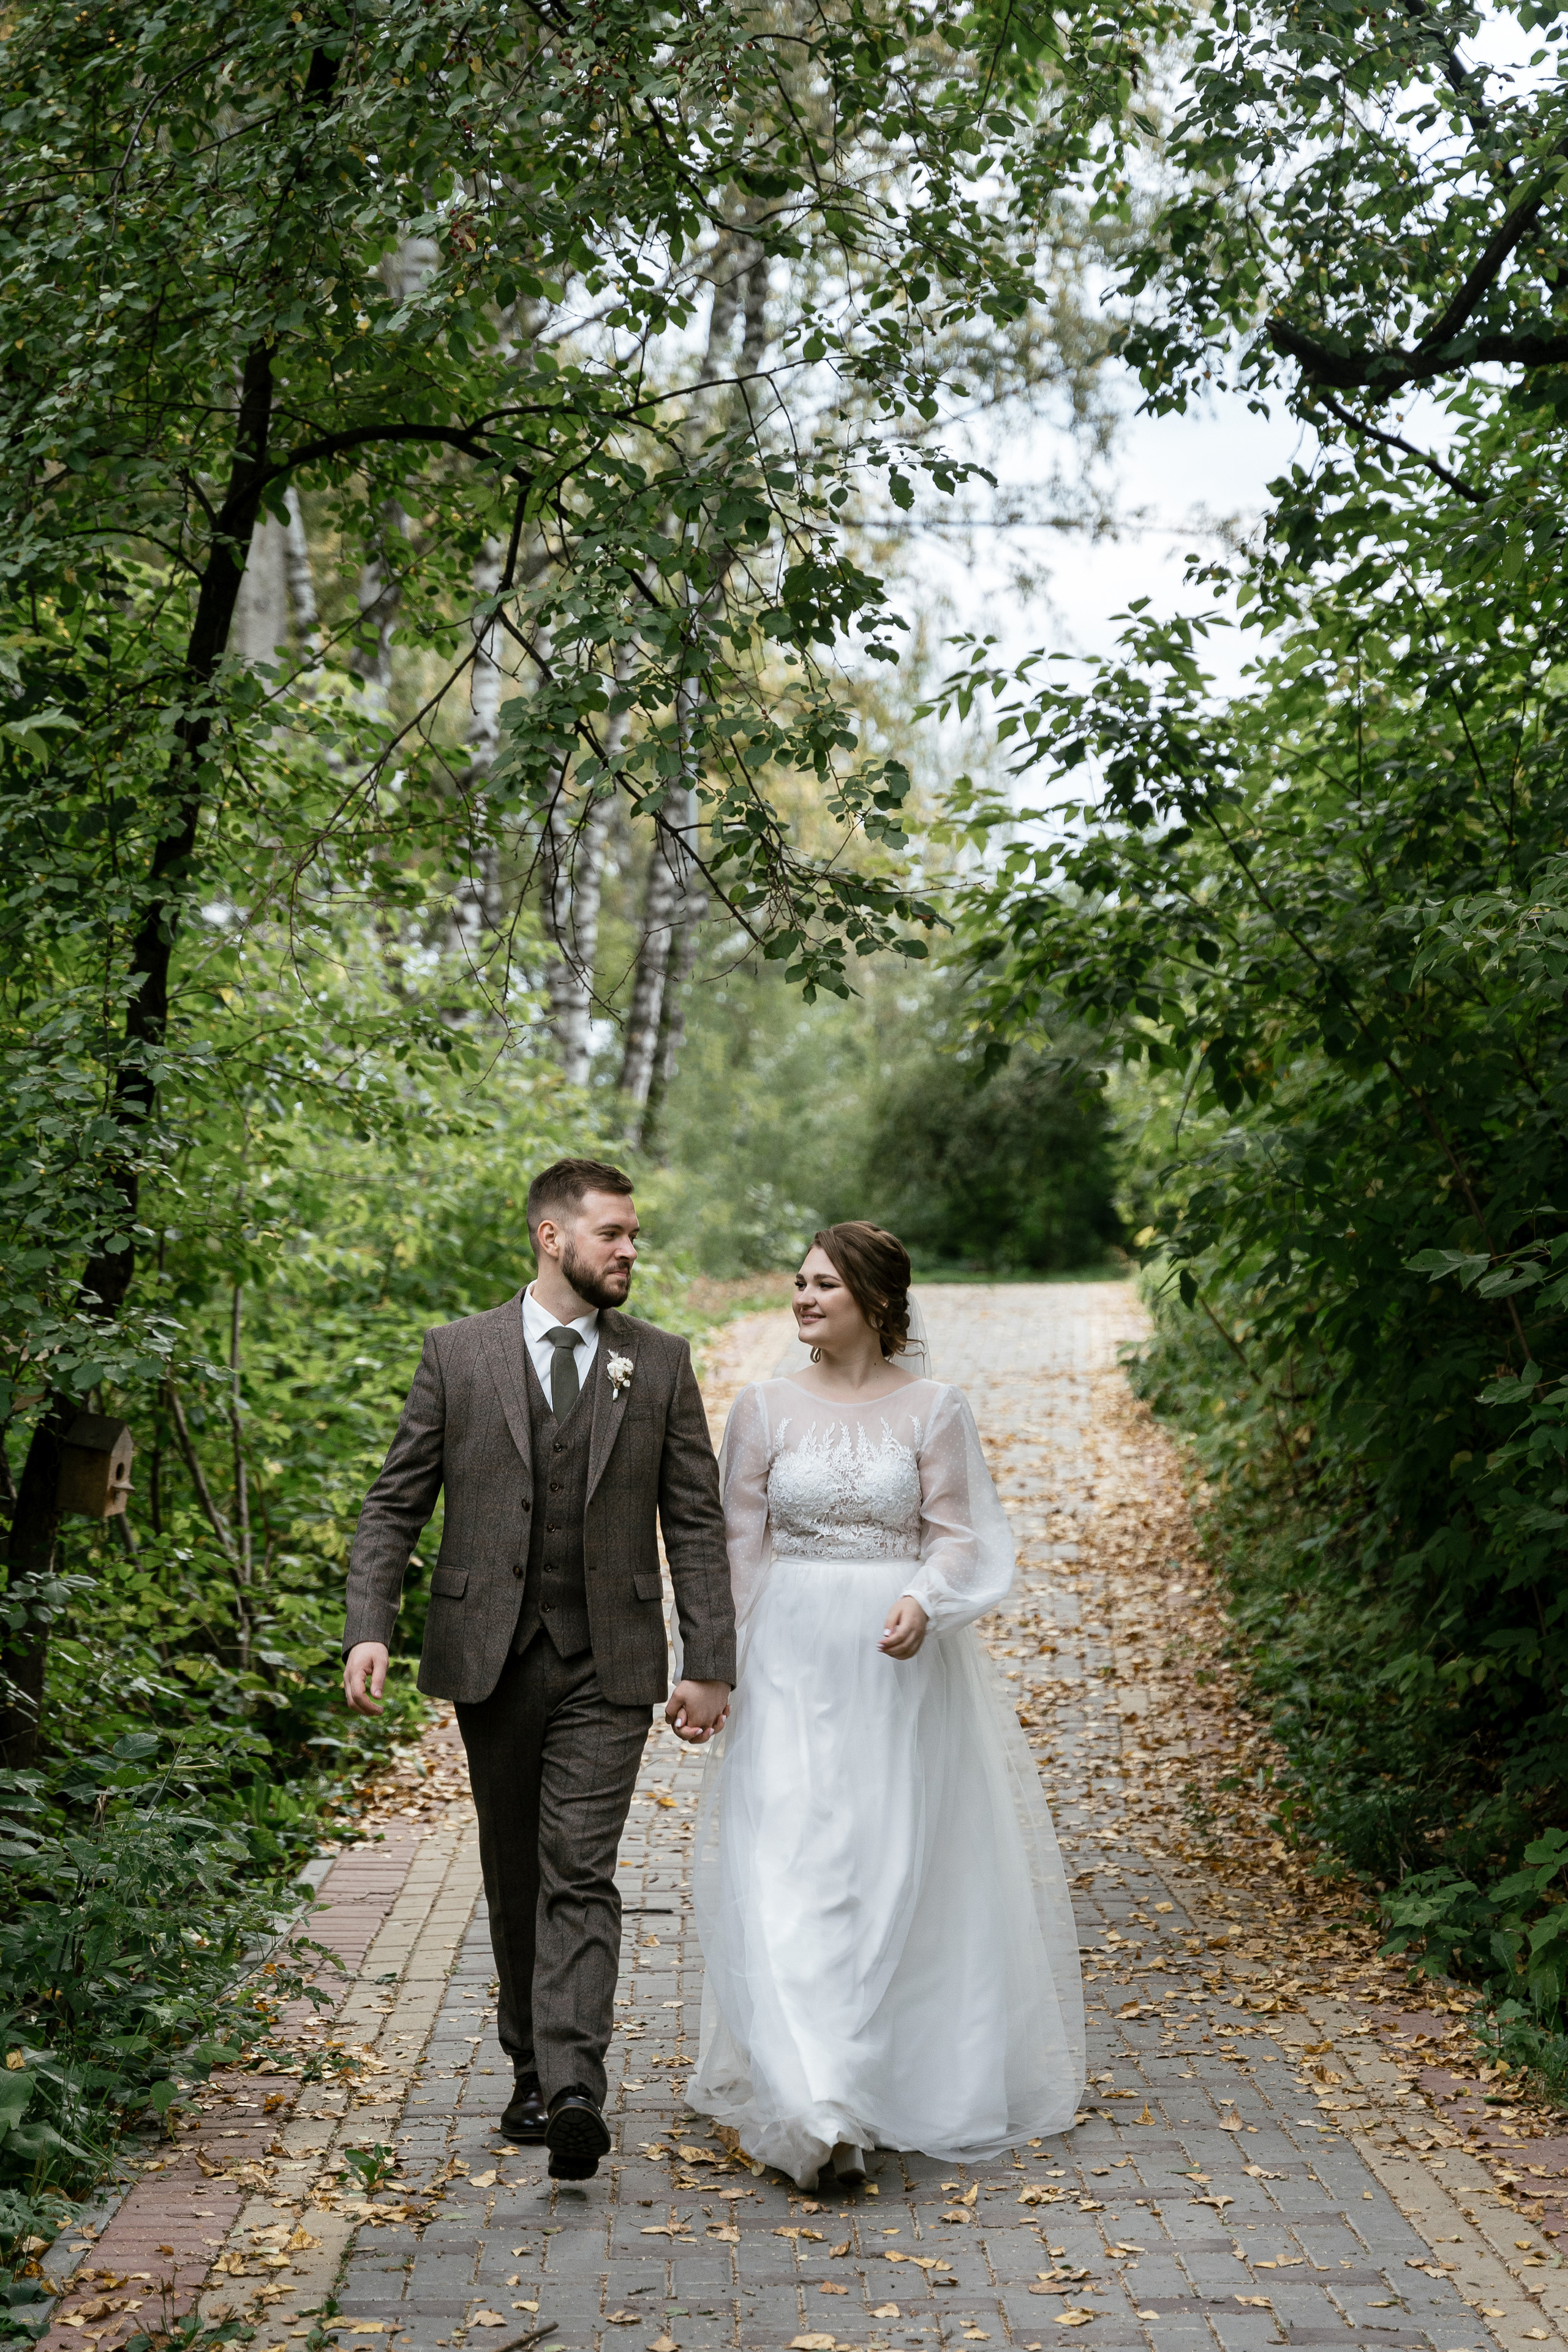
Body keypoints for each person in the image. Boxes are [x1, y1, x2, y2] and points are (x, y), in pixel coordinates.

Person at [341, 1157, 735, 2182]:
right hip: (492, 1660)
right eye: (613, 1233)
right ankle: (528, 2066)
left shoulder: (658, 1362)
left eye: (635, 1233)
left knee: (579, 1867)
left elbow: (693, 1519)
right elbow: (395, 1502)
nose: (631, 1250)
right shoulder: (457, 1354)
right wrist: (367, 1625)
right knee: (516, 1870)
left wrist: (711, 1661)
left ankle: (573, 2090)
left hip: (613, 1659)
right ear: (553, 1238)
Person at [687, 1222, 1084, 2189]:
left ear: (875, 1301)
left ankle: (873, 2075)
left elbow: (964, 1537)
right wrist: (709, 1667)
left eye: (825, 1285)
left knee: (884, 1865)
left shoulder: (935, 1410)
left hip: (895, 1665)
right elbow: (736, 1550)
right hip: (787, 1657)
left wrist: (927, 1598)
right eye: (799, 1283)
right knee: (790, 1861)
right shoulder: (763, 1409)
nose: (804, 1298)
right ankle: (818, 2105)